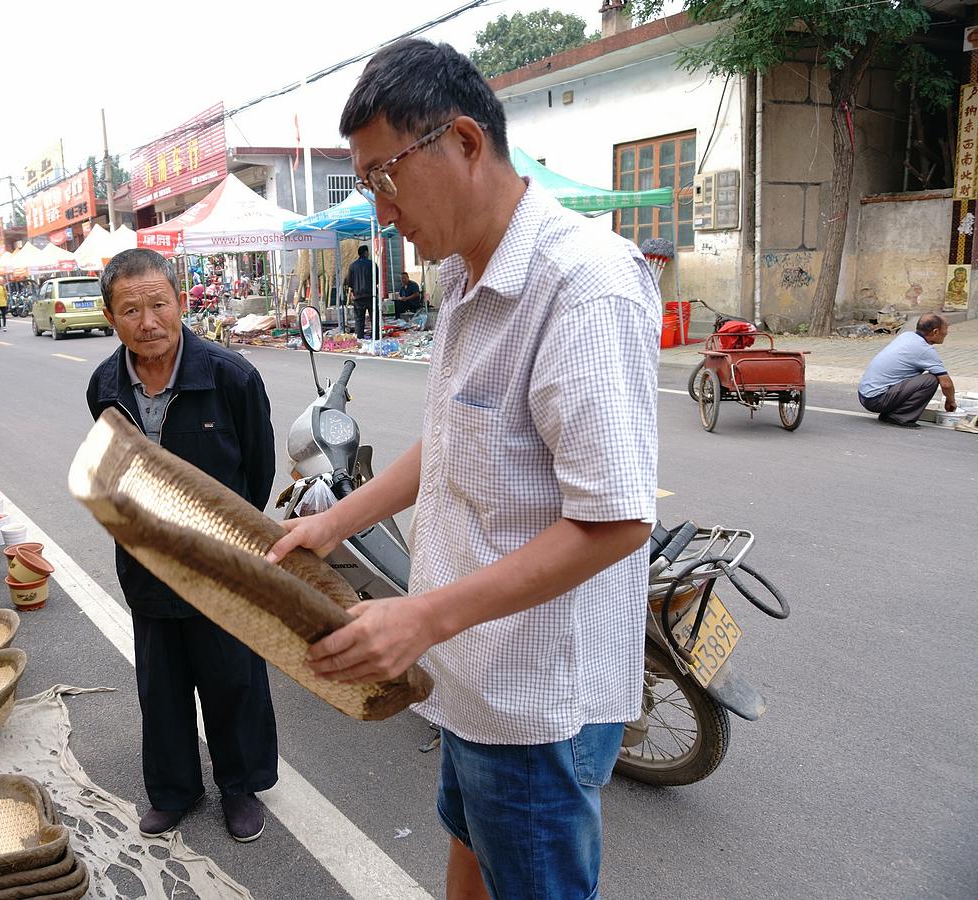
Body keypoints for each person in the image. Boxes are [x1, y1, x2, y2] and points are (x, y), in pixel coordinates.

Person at [266, 39, 659, 899]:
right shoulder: (460, 275)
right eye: (366, 184)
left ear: (467, 144)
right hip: (470, 675)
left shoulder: (581, 286)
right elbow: (451, 439)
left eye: (385, 176)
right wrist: (331, 521)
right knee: (469, 847)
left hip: (531, 701)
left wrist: (422, 617)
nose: (379, 209)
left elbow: (619, 521)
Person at [86, 248, 278, 844]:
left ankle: (240, 787)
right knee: (161, 686)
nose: (148, 321)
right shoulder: (104, 386)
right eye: (131, 309)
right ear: (111, 316)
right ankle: (173, 790)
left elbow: (259, 471)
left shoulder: (231, 376)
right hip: (145, 563)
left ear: (181, 301)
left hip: (223, 561)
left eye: (159, 304)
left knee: (233, 678)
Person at [858, 313, 955, 427]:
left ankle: (892, 412)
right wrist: (951, 401)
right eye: (946, 329)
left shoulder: (906, 336)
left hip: (864, 394)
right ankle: (898, 417)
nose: (947, 333)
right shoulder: (924, 350)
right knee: (931, 379)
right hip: (875, 399)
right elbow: (946, 384)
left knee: (916, 376)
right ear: (935, 332)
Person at [345, 245, 377, 338]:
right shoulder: (372, 264)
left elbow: (349, 282)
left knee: (359, 319)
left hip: (358, 296)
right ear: (366, 252)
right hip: (371, 295)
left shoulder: (352, 266)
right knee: (374, 318)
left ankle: (360, 337)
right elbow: (377, 279)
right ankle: (376, 336)